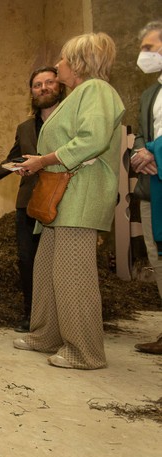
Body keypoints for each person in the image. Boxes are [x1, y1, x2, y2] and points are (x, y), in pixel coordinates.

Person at [12, 33, 125, 369]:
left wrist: (43, 160)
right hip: (60, 199)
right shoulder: (77, 95)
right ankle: (46, 334)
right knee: (47, 270)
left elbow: (92, 140)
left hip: (80, 196)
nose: (58, 64)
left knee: (74, 276)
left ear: (78, 64)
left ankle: (85, 352)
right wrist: (41, 161)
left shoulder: (97, 90)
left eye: (62, 59)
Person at [0, 67, 65, 333]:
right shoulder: (25, 127)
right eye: (37, 85)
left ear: (59, 87)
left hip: (62, 200)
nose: (43, 88)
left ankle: (62, 319)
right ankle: (32, 316)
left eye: (49, 82)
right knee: (28, 261)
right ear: (31, 92)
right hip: (28, 204)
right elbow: (12, 161)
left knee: (58, 263)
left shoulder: (69, 120)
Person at [131, 20, 162, 355]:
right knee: (158, 259)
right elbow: (142, 131)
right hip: (152, 184)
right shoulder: (150, 93)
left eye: (149, 48)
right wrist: (142, 151)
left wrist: (152, 151)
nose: (143, 56)